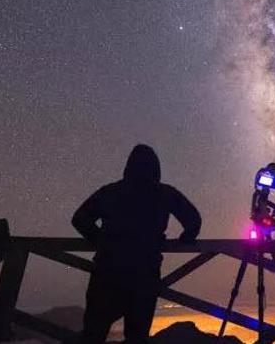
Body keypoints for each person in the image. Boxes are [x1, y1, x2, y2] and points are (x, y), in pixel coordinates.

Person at [72, 144, 201, 344]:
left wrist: (102, 241)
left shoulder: (111, 191)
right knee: (137, 337)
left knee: (93, 334)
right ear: (156, 169)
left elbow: (79, 219)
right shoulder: (164, 193)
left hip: (107, 273)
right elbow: (193, 221)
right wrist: (184, 240)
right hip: (144, 276)